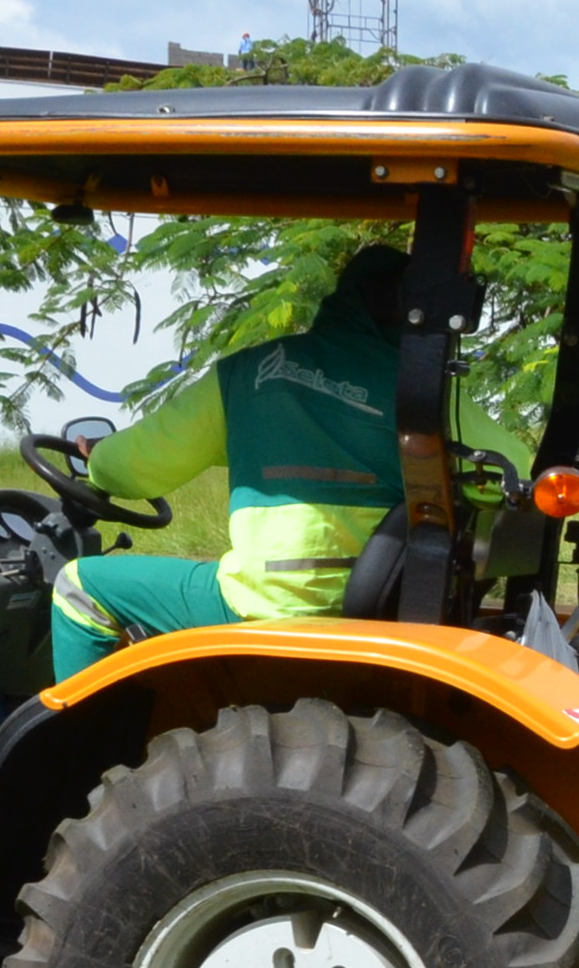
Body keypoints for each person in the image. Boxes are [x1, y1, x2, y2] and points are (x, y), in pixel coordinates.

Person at [50, 244, 518, 681]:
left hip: (264, 603)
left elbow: (132, 470)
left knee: (76, 585)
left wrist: (97, 463)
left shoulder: (246, 373)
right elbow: (517, 473)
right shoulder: (426, 393)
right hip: (383, 601)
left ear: (344, 299)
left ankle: (78, 758)